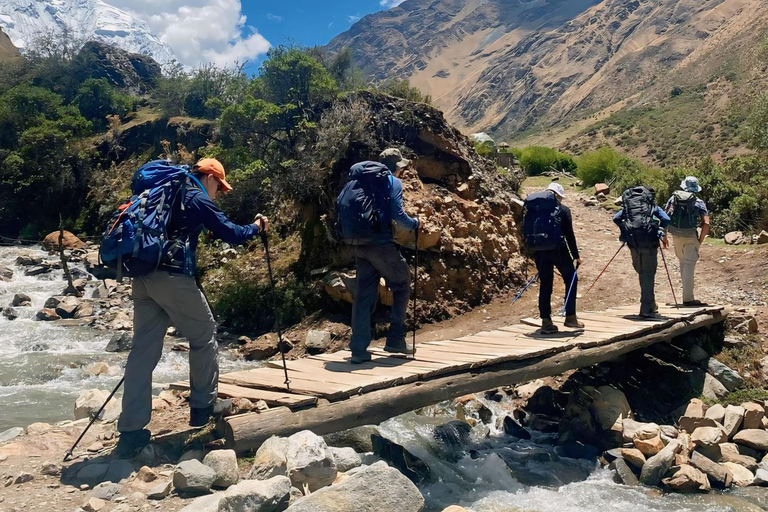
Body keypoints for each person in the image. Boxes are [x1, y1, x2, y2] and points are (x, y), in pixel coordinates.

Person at [115, 158, 268, 457]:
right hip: (172, 278)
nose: (219, 193)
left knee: (142, 351)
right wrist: (256, 227)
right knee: (204, 335)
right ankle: (202, 409)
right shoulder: (194, 194)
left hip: (143, 278)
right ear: (209, 177)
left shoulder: (166, 192)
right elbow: (230, 233)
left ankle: (131, 432)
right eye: (220, 187)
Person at [344, 148, 419, 364]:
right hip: (380, 244)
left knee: (364, 295)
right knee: (402, 283)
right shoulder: (392, 182)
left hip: (359, 244)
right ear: (395, 166)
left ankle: (358, 350)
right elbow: (398, 215)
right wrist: (415, 223)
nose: (402, 172)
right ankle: (395, 339)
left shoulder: (359, 181)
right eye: (401, 167)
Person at [528, 183, 584, 334]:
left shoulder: (534, 208)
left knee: (546, 285)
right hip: (559, 250)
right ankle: (571, 317)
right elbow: (569, 235)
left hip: (539, 252)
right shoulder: (563, 210)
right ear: (558, 195)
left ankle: (546, 322)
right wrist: (576, 256)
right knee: (571, 278)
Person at [613, 186, 670, 318]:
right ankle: (645, 309)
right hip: (650, 244)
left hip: (634, 244)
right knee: (648, 275)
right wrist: (659, 228)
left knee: (643, 274)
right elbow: (666, 219)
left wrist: (625, 229)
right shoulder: (652, 208)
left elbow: (616, 218)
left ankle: (651, 304)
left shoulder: (629, 209)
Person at [664, 176, 710, 306]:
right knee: (689, 265)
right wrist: (700, 240)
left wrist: (664, 236)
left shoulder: (673, 199)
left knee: (683, 262)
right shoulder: (698, 202)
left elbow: (665, 217)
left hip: (675, 235)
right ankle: (688, 299)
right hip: (690, 235)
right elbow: (706, 224)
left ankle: (686, 295)